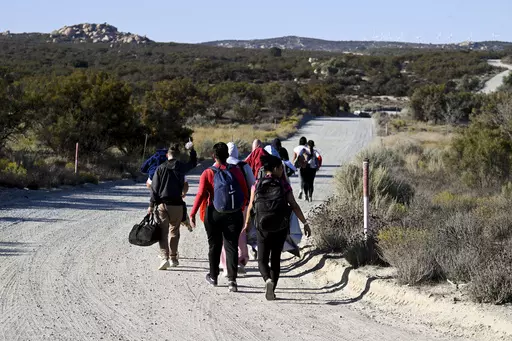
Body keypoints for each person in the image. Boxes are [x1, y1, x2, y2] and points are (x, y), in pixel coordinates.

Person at [244, 154, 311, 300]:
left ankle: (267, 279)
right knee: (275, 258)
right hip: (280, 227)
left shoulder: (257, 184)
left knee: (262, 259)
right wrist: (305, 223)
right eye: (281, 168)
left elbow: (251, 206)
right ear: (275, 169)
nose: (282, 170)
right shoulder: (284, 185)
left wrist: (247, 224)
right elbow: (294, 205)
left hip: (263, 227)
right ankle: (272, 289)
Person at [190, 142, 249, 292]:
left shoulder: (208, 173)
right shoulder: (236, 171)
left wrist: (193, 213)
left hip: (214, 213)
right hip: (234, 214)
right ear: (227, 156)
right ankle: (232, 281)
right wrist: (241, 208)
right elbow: (245, 192)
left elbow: (201, 194)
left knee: (214, 245)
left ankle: (214, 277)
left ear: (213, 156)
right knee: (231, 246)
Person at [148, 144, 191, 270]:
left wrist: (151, 205)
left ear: (167, 155)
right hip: (177, 204)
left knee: (163, 231)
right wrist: (191, 150)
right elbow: (186, 183)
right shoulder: (181, 169)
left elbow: (154, 189)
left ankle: (164, 257)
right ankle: (173, 258)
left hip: (163, 204)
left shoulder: (160, 168)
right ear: (177, 156)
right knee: (174, 231)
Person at [219, 142, 255, 276]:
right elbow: (252, 184)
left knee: (225, 234)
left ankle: (226, 263)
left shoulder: (219, 164)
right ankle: (241, 259)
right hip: (242, 204)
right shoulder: (244, 165)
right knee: (241, 232)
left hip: (224, 204)